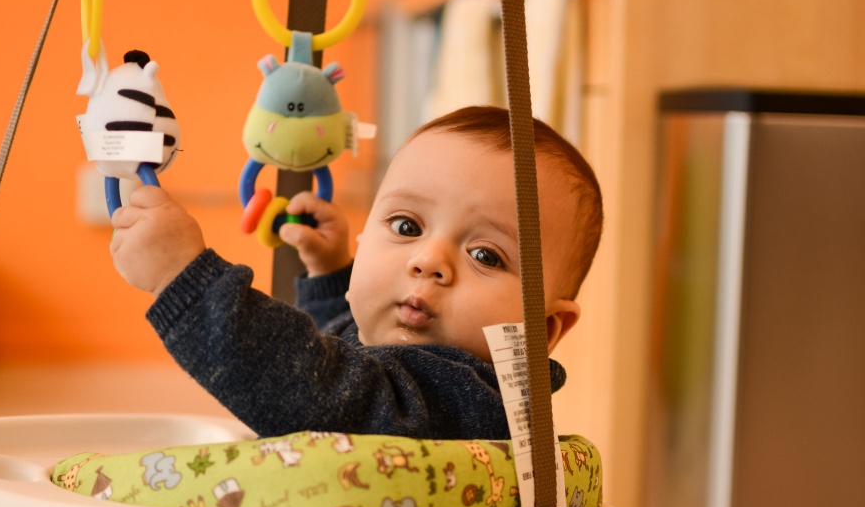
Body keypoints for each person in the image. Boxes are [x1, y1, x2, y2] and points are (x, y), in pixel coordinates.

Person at [109, 105, 603, 440]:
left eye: (486, 255)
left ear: (539, 333)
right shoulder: (403, 366)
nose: (428, 261)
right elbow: (349, 349)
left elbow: (321, 393)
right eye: (407, 225)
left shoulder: (471, 398)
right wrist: (331, 274)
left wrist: (185, 279)